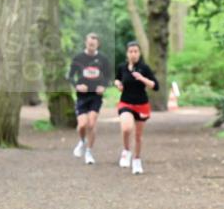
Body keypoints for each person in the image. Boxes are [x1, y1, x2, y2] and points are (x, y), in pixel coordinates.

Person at [113, 41, 159, 175]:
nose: (133, 54)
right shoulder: (122, 67)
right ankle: (126, 150)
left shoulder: (144, 68)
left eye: (136, 51)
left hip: (141, 104)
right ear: (127, 54)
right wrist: (118, 84)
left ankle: (137, 160)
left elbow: (155, 86)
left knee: (138, 136)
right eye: (131, 51)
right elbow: (117, 79)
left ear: (139, 53)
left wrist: (142, 78)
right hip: (126, 103)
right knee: (126, 128)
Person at [68, 32, 113, 165]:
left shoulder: (103, 59)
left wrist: (103, 86)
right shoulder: (78, 58)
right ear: (85, 43)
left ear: (98, 44)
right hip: (82, 97)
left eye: (94, 43)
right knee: (82, 125)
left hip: (95, 96)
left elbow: (109, 77)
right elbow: (70, 76)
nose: (91, 45)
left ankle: (89, 152)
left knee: (91, 124)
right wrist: (77, 86)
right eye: (89, 43)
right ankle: (82, 141)